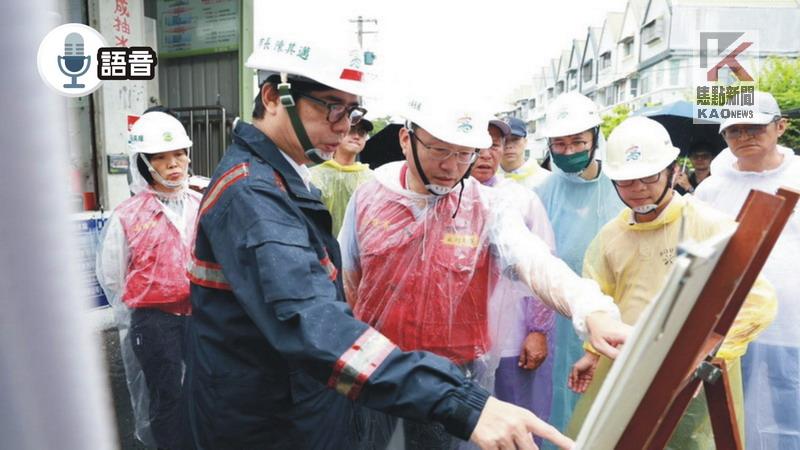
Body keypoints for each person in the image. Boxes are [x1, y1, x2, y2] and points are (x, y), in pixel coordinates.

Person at [182, 33, 577, 450]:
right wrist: (460, 402)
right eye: (332, 108)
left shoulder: (280, 179)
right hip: (266, 417)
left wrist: (586, 307)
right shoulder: (253, 195)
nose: (344, 126)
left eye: (352, 111)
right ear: (273, 97)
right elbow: (313, 320)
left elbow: (530, 256)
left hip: (307, 394)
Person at [339, 95, 630, 449]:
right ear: (406, 139)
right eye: (440, 150)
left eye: (465, 154)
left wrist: (591, 309)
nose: (452, 166)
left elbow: (533, 260)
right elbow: (348, 282)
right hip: (377, 369)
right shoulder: (370, 197)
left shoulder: (487, 207)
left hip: (451, 378)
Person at [565, 116, 776, 448]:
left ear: (673, 170)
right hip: (627, 364)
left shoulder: (708, 225)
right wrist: (592, 352)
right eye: (626, 182)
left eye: (648, 178)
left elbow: (757, 302)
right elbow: (600, 296)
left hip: (691, 378)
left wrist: (704, 356)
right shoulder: (611, 236)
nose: (638, 190)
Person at [695, 90, 800, 450]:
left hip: (793, 327)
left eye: (754, 128)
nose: (744, 137)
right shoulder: (710, 190)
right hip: (729, 328)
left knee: (791, 416)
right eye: (734, 131)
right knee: (731, 418)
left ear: (780, 126)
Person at [96, 111, 201, 449]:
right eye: (160, 157)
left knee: (206, 388)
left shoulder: (203, 202)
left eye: (179, 154)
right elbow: (113, 276)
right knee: (167, 393)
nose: (174, 163)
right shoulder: (129, 215)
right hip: (155, 321)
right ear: (144, 164)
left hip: (202, 316)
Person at [532, 92, 626, 441]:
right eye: (560, 143)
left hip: (617, 316)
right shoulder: (540, 193)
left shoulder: (622, 185)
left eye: (577, 142)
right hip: (557, 321)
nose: (568, 151)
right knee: (559, 400)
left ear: (595, 139)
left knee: (608, 408)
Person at [472, 120, 557, 445]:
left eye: (495, 145)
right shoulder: (445, 198)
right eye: (478, 146)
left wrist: (538, 330)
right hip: (461, 345)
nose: (485, 154)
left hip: (512, 339)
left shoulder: (522, 200)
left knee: (521, 428)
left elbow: (544, 265)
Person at [309, 118, 374, 236]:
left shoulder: (372, 179)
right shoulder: (313, 176)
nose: (356, 136)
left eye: (362, 133)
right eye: (352, 130)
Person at [498, 117, 550, 189]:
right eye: (503, 140)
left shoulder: (545, 179)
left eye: (515, 139)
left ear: (525, 142)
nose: (509, 146)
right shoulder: (486, 178)